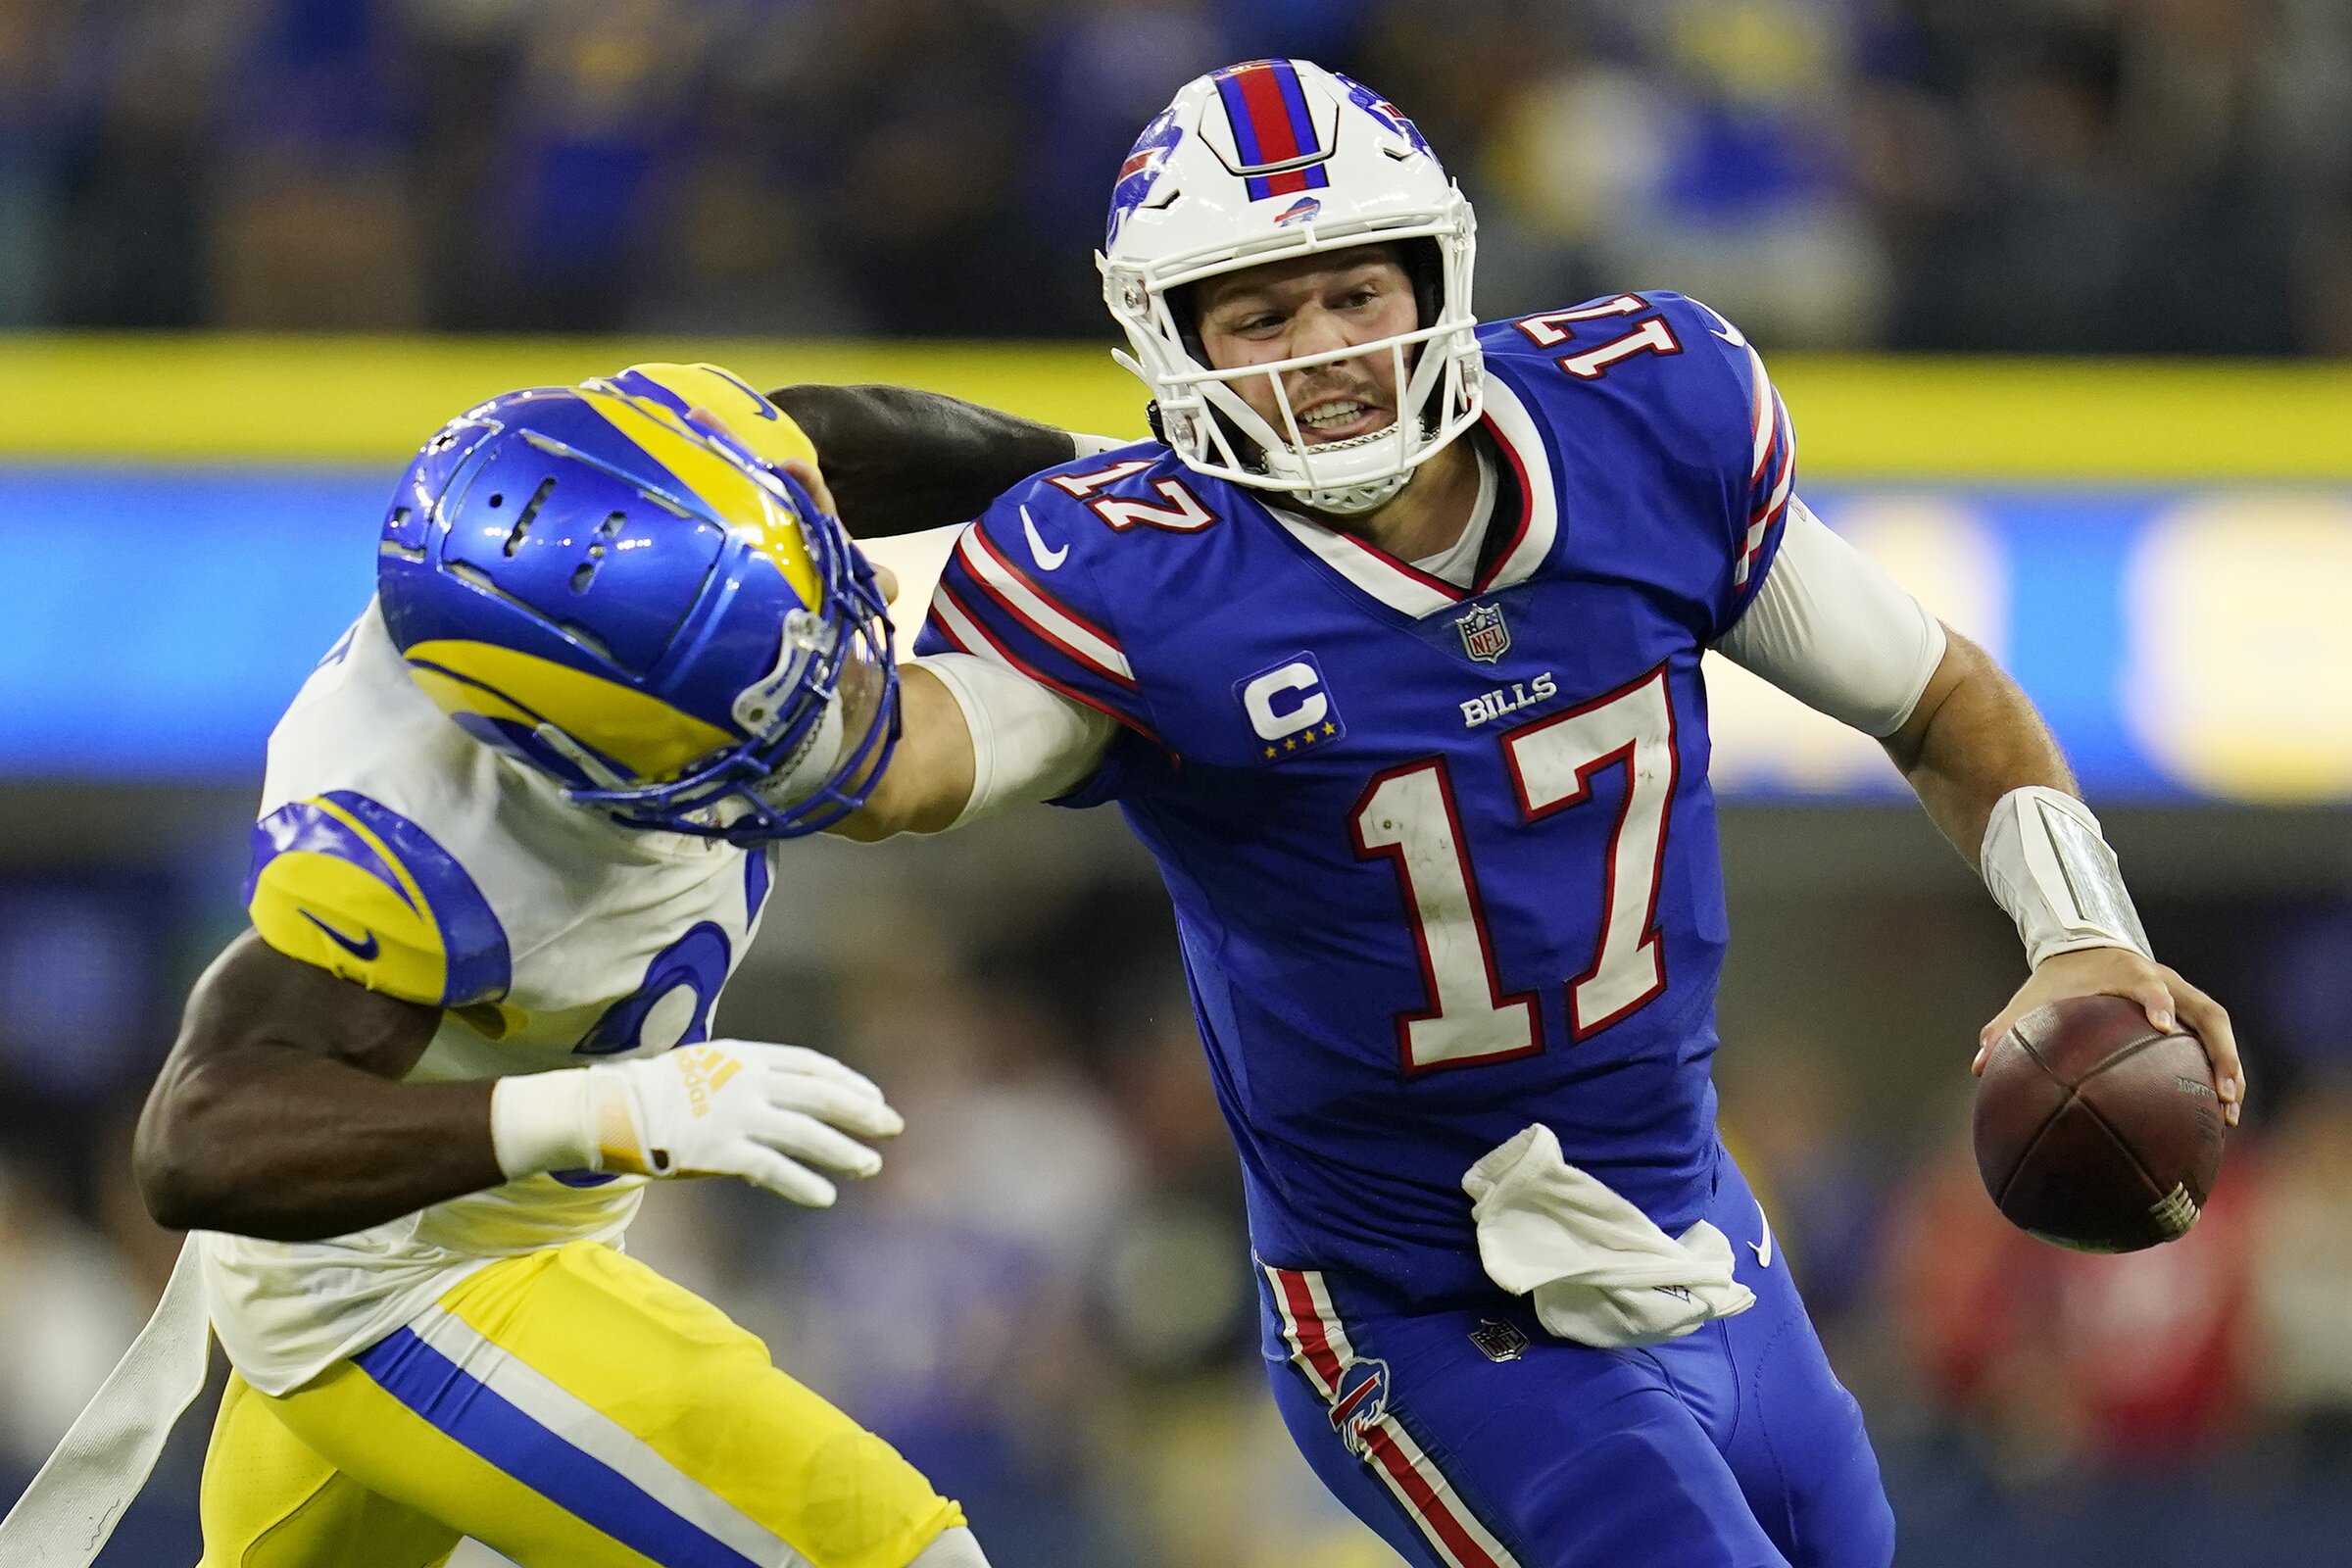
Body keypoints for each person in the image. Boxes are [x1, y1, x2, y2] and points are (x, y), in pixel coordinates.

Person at [838, 59, 2245, 1568]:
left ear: (1437, 278)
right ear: (1175, 344)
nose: (1320, 350)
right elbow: (910, 766)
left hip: (1696, 1217)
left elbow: (1940, 700)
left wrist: (2085, 936)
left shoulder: (1646, 422)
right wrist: (774, 649)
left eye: (1355, 295)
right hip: (1418, 1301)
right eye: (1260, 314)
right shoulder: (1132, 577)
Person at [19, 364, 1010, 1568]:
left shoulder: (656, 481)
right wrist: (611, 1107)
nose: (822, 701)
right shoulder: (418, 836)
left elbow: (813, 439)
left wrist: (1114, 454)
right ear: (576, 759)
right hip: (404, 1288)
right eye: (746, 706)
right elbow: (197, 1138)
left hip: (490, 1247)